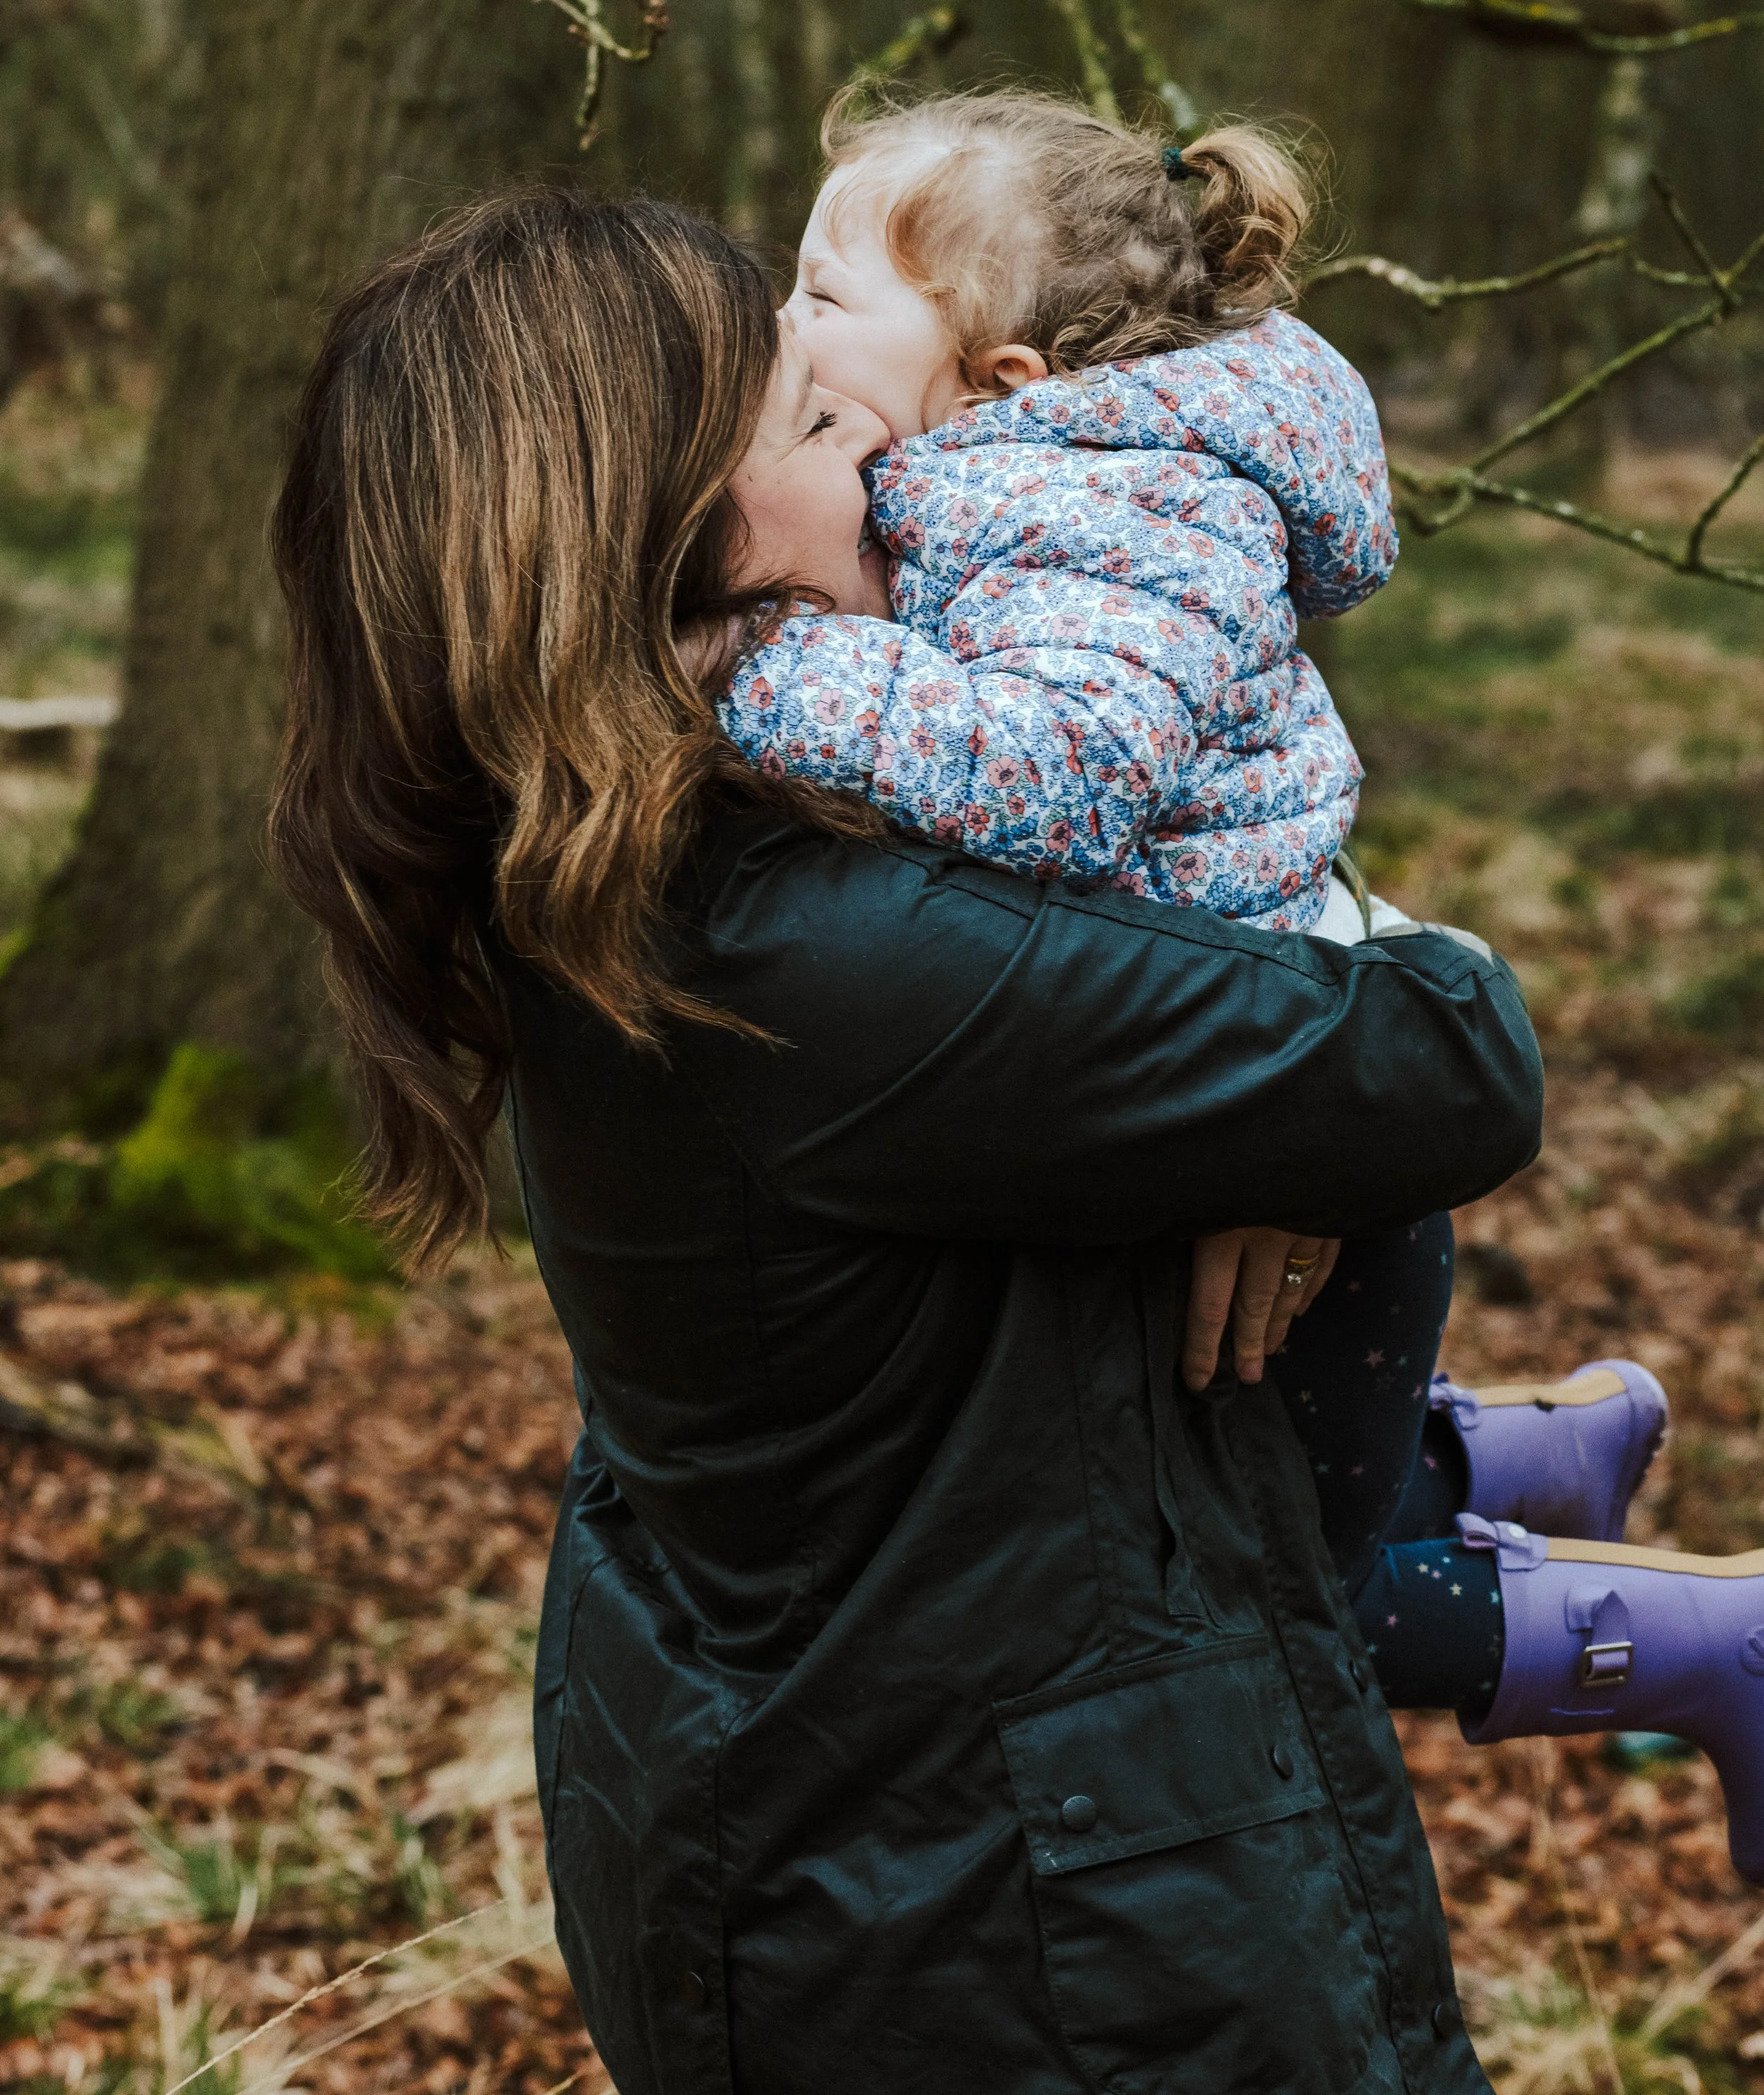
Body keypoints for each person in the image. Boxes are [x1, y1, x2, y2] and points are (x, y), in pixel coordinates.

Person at [263, 188, 1748, 2095]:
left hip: (845, 1849)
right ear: (650, 552)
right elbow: (1454, 1054)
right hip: (1035, 1951)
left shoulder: (606, 863)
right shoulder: (808, 954)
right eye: (804, 426)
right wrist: (1310, 1097)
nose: (880, 441)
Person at [713, 85, 1671, 1689]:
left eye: (822, 295)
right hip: (1248, 1047)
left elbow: (1054, 773)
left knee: (1280, 1610)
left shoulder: (1095, 506)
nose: (784, 324)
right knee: (1237, 1519)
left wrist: (771, 665)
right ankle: (1529, 1456)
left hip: (1295, 1108)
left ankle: (1689, 1645)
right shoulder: (1028, 477)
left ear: (1001, 377)